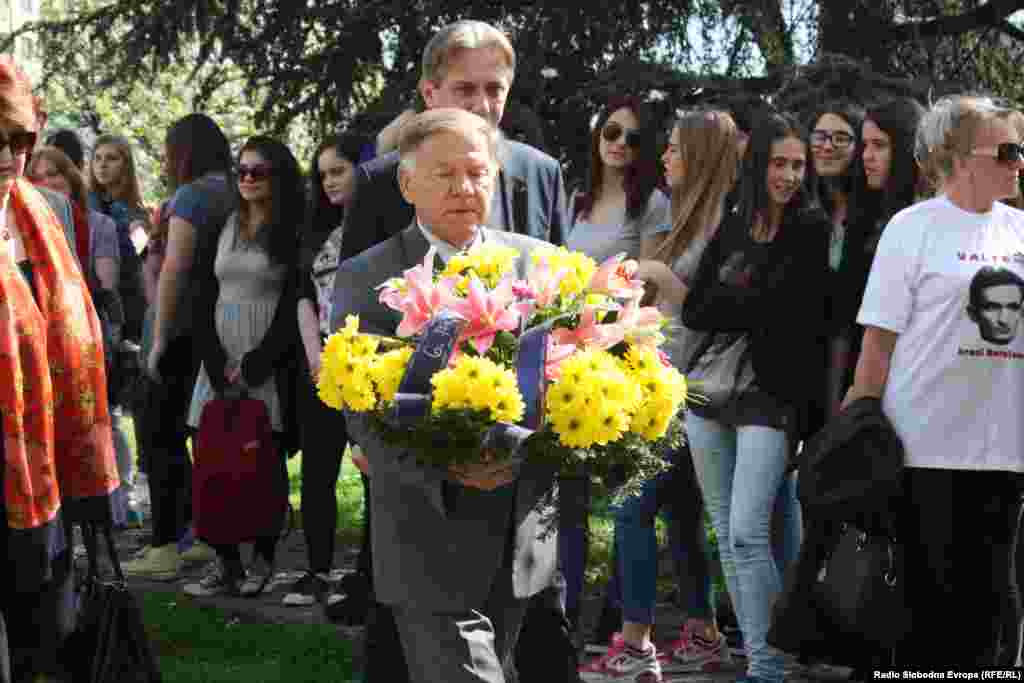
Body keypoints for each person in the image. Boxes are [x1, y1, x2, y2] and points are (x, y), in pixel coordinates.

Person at [330, 20, 577, 683]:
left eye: (477, 174)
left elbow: (575, 370)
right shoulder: (367, 273)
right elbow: (357, 400)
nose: (466, 188)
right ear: (409, 186)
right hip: (424, 531)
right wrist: (450, 468)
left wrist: (526, 453)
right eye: (447, 175)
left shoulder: (543, 265)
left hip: (521, 528)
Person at [846, 95, 1024, 666]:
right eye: (1007, 150)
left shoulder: (1021, 229)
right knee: (924, 615)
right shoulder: (912, 227)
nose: (1020, 161)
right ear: (956, 155)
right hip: (922, 450)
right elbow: (877, 344)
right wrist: (857, 438)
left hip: (1003, 452)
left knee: (989, 617)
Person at [579, 109, 739, 683]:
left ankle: (636, 643)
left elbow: (708, 309)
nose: (664, 157)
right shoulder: (683, 219)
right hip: (663, 381)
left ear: (700, 155)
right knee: (679, 514)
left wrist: (650, 271)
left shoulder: (724, 225)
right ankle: (703, 630)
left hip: (686, 388)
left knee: (632, 509)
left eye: (674, 148)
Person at [682, 112, 829, 683]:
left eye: (799, 165)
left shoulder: (810, 227)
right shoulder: (735, 222)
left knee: (747, 532)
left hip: (773, 397)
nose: (791, 175)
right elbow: (697, 308)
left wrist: (737, 291)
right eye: (781, 163)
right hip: (709, 391)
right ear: (758, 164)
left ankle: (769, 665)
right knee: (724, 529)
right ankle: (764, 658)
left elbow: (795, 317)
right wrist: (749, 293)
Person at [0, 54, 119, 682]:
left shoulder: (41, 213)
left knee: (47, 643)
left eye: (21, 139)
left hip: (47, 463)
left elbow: (71, 337)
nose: (8, 155)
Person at [561, 95, 668, 641]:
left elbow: (650, 284)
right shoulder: (573, 200)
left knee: (625, 501)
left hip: (622, 355)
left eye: (632, 137)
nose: (620, 144)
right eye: (611, 132)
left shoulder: (650, 204)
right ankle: (564, 613)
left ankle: (619, 617)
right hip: (570, 353)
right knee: (569, 494)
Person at [336, 20, 568, 266]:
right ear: (429, 94)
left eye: (494, 89)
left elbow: (561, 288)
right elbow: (353, 296)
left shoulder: (541, 173)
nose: (482, 105)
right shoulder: (378, 183)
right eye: (465, 90)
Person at [182, 135, 302, 597]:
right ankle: (226, 562)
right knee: (211, 457)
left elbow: (294, 300)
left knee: (262, 462)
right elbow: (202, 291)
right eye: (243, 170)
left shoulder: (291, 229)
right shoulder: (224, 223)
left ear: (277, 177)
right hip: (219, 355)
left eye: (259, 171)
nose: (248, 179)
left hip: (263, 355)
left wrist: (258, 363)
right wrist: (216, 361)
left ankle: (264, 560)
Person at [125, 113, 235, 580]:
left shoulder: (192, 196)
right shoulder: (232, 190)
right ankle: (200, 536)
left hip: (181, 327)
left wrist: (159, 340)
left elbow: (175, 271)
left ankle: (166, 543)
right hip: (217, 326)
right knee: (199, 434)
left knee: (160, 434)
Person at [27, 146, 138, 527]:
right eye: (37, 177)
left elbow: (105, 288)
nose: (46, 184)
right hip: (36, 336)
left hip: (84, 336)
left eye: (53, 174)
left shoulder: (99, 225)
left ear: (71, 178)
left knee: (98, 422)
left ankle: (112, 503)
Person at [286, 133, 372, 610]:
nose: (330, 182)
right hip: (320, 364)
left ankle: (366, 577)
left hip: (368, 363)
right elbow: (302, 293)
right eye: (322, 175)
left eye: (338, 170)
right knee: (318, 472)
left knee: (371, 473)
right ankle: (317, 570)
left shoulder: (381, 223)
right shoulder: (316, 226)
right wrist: (315, 356)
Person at [827, 97, 925, 413]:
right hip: (859, 382)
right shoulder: (864, 216)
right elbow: (845, 315)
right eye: (866, 144)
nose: (867, 156)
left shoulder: (930, 220)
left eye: (880, 145)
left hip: (914, 382)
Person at [87, 133, 147, 342]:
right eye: (97, 158)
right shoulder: (82, 204)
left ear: (125, 164)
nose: (102, 165)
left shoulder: (136, 211)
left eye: (111, 158)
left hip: (128, 301)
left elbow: (139, 252)